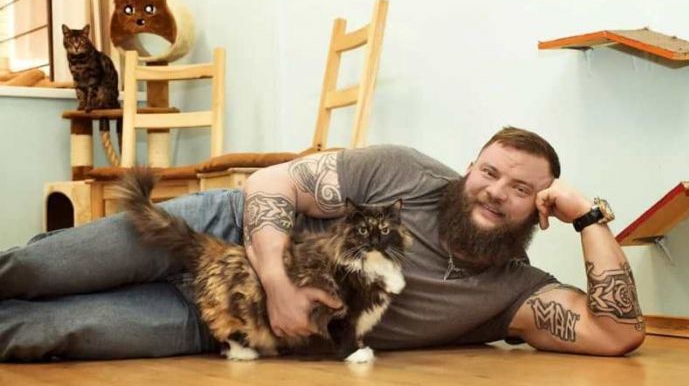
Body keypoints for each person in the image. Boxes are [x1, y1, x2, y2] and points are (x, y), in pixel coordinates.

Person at [0, 127, 645, 361]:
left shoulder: (514, 294)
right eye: (488, 171)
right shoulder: (405, 171)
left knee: (45, 332)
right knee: (33, 268)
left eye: (520, 188)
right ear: (470, 167)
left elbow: (618, 333)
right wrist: (279, 283)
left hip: (226, 320)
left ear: (540, 209)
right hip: (212, 231)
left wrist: (591, 218)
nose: (495, 191)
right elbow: (270, 183)